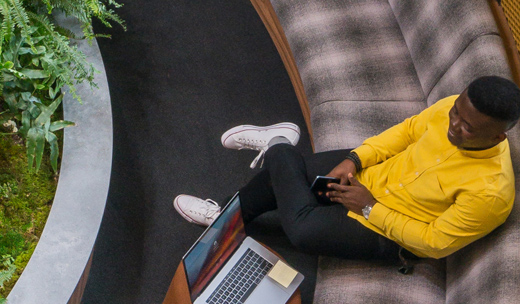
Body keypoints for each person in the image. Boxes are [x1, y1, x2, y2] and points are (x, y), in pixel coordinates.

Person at [174, 75, 520, 261]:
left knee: (303, 230)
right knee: (279, 181)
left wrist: (370, 207)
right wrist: (355, 159)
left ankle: (278, 145)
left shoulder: (490, 194)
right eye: (455, 112)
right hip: (371, 175)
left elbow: (434, 243)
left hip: (387, 232)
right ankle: (222, 215)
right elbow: (406, 133)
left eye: (467, 128)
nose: (454, 124)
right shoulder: (453, 109)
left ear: (499, 135)